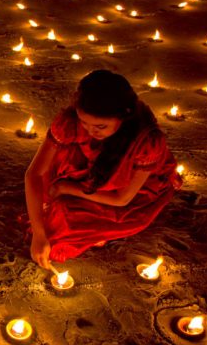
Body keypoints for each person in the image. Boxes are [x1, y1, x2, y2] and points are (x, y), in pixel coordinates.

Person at [24, 69, 182, 269]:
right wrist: (38, 234)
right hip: (86, 172)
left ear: (123, 117)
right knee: (44, 217)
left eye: (100, 126)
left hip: (126, 194)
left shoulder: (145, 142)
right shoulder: (70, 123)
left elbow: (121, 199)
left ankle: (99, 230)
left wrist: (65, 188)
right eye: (84, 122)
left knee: (59, 236)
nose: (90, 131)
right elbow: (34, 174)